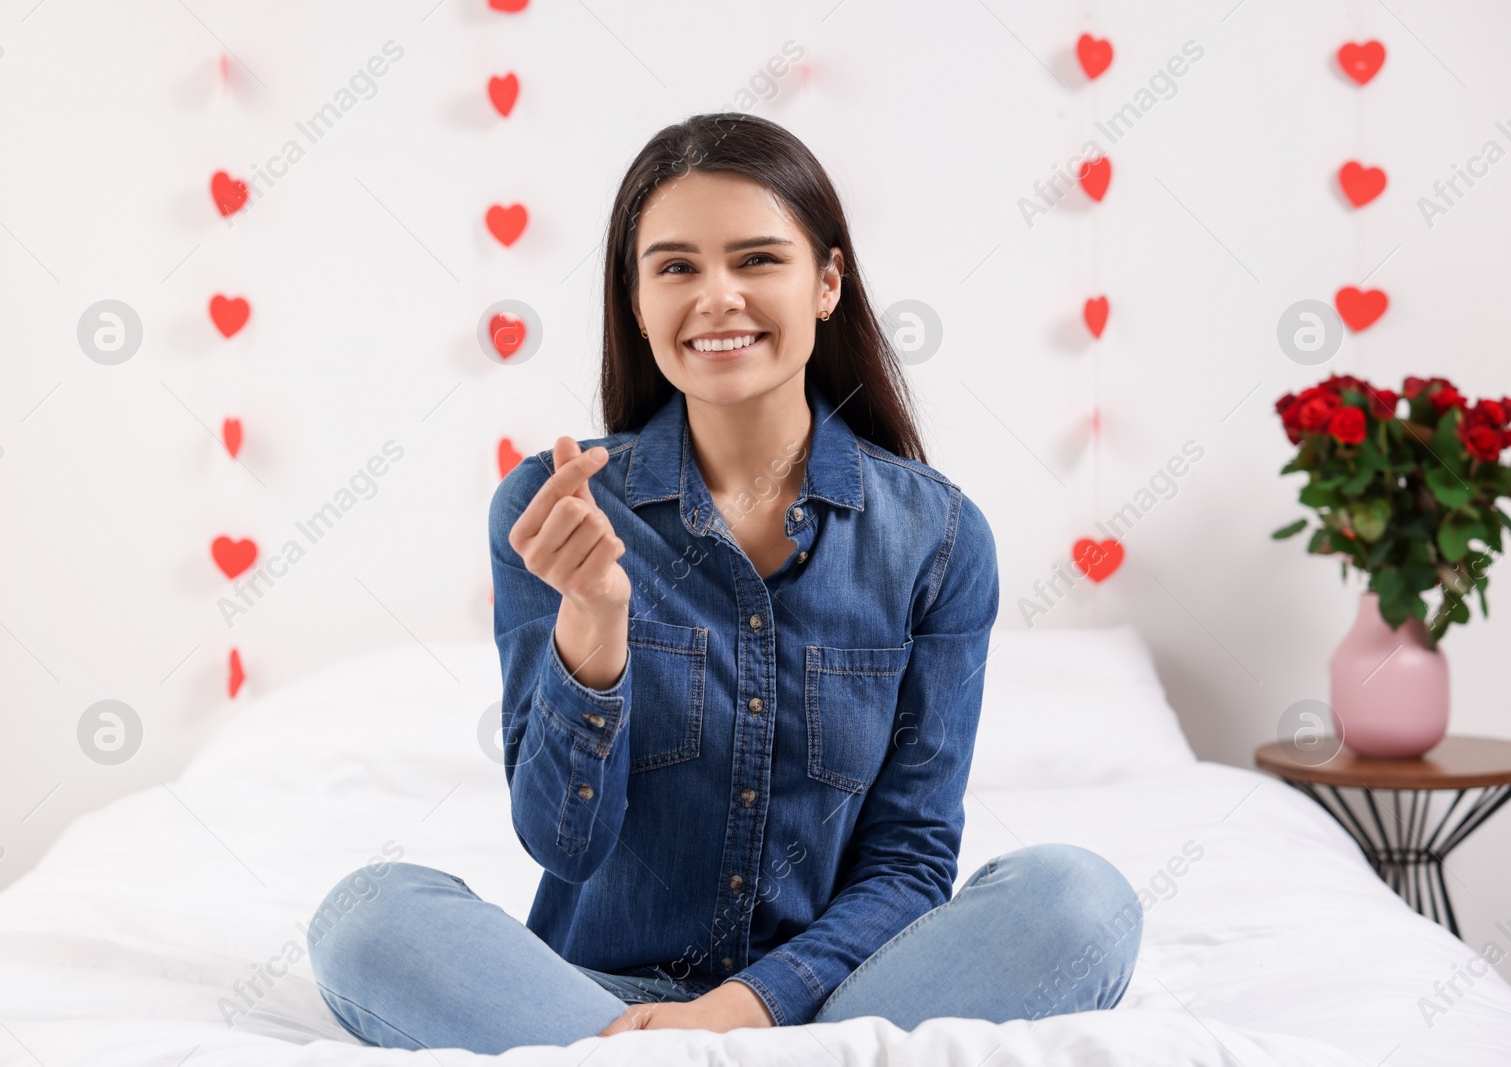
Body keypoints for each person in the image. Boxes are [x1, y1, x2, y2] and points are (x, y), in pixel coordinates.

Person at [307, 111, 1142, 1054]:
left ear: (826, 282)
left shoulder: (938, 537)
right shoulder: (552, 508)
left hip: (831, 1000)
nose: (717, 297)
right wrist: (593, 625)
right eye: (675, 267)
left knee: (1081, 899)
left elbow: (909, 864)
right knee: (367, 913)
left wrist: (744, 1011)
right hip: (598, 995)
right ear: (635, 297)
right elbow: (561, 845)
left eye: (756, 260)